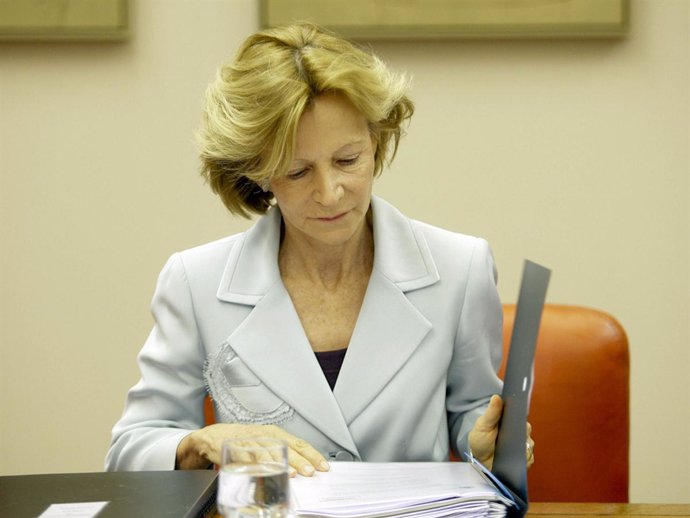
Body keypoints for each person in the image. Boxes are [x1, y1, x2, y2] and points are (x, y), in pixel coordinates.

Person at [105, 22, 534, 476]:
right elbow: (131, 448)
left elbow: (470, 413)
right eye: (296, 172)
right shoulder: (196, 282)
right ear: (258, 172)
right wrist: (202, 441)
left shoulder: (461, 268)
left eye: (348, 160)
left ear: (376, 140)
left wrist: (485, 448)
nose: (330, 193)